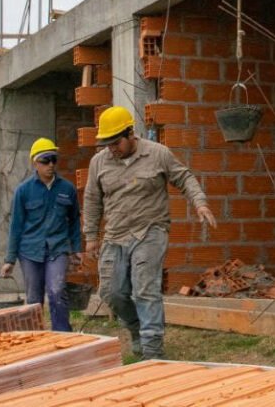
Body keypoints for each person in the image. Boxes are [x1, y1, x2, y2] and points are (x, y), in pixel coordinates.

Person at [83, 106, 217, 359]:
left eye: (116, 142)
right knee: (111, 292)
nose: (111, 148)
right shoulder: (98, 162)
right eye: (107, 143)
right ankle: (136, 329)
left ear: (131, 133)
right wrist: (90, 237)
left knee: (145, 289)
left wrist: (200, 203)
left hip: (150, 231)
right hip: (115, 235)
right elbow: (92, 200)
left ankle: (153, 349)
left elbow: (184, 178)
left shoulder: (158, 154)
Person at [0, 137, 82, 332]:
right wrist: (9, 259)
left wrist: (76, 250)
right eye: (45, 161)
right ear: (35, 162)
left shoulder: (67, 189)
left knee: (56, 291)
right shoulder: (23, 191)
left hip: (58, 249)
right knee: (34, 298)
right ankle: (34, 336)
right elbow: (16, 226)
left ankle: (62, 335)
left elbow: (75, 221)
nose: (51, 165)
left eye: (54, 159)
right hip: (30, 251)